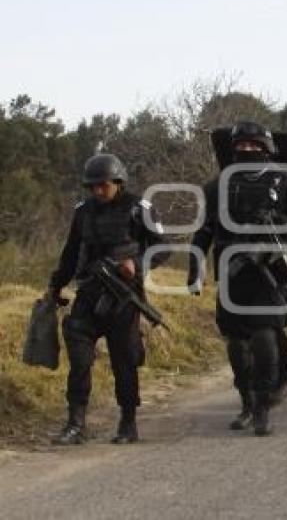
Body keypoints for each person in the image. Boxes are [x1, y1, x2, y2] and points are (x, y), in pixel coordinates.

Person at [188, 121, 287, 436]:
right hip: (234, 272)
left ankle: (262, 406)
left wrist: (281, 221)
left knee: (265, 337)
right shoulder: (217, 186)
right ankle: (246, 400)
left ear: (266, 148)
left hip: (272, 271)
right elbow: (204, 231)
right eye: (241, 146)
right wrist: (196, 266)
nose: (247, 151)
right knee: (237, 345)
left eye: (254, 146)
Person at [46, 154, 168, 445]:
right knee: (79, 359)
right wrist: (55, 286)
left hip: (123, 297)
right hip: (89, 293)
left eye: (103, 186)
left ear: (118, 183)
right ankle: (76, 423)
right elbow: (71, 252)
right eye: (93, 187)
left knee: (123, 360)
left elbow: (163, 248)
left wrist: (136, 264)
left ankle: (128, 422)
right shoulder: (83, 211)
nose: (98, 192)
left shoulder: (140, 208)